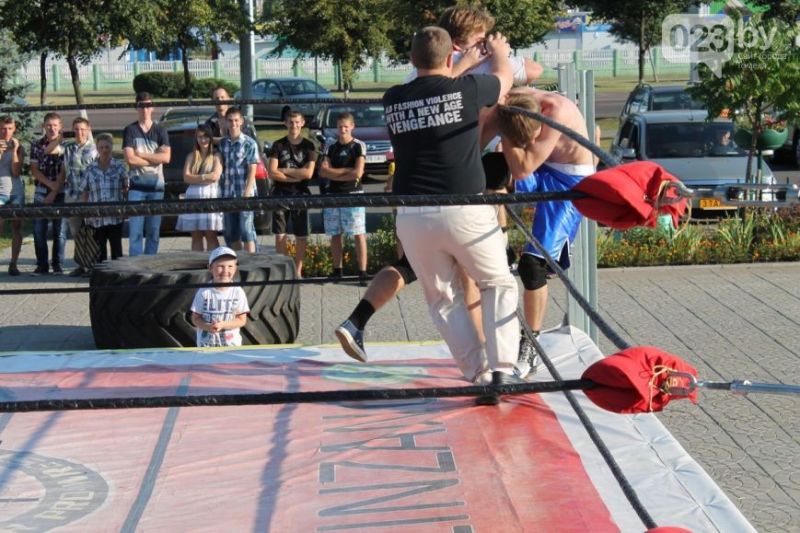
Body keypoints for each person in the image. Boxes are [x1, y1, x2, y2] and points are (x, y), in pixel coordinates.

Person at [340, 26, 519, 387]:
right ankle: (502, 369)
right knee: (497, 283)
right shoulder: (467, 90)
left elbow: (431, 94)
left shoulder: (393, 97)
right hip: (464, 208)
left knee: (443, 300)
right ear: (451, 56)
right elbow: (504, 79)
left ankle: (478, 372)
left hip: (413, 214)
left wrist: (459, 64)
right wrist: (498, 50)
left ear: (410, 59)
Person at [489, 88, 595, 378]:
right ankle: (499, 239)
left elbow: (523, 169)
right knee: (491, 170)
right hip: (545, 165)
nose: (531, 142)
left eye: (533, 137)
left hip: (570, 182)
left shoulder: (556, 113)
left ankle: (531, 345)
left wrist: (506, 137)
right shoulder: (515, 98)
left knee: (532, 266)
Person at [318, 112, 368, 284]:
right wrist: (346, 172)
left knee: (358, 234)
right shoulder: (330, 146)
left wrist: (334, 173)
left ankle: (362, 272)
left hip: (353, 194)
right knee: (335, 234)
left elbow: (358, 173)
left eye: (346, 126)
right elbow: (323, 171)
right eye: (340, 126)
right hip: (333, 194)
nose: (343, 130)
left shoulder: (358, 146)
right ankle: (337, 271)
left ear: (352, 126)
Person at [267, 110, 317, 277]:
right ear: (285, 123)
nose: (294, 125)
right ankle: (284, 271)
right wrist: (295, 175)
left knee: (301, 235)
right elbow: (272, 172)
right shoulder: (278, 145)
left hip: (301, 194)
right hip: (280, 193)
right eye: (290, 122)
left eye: (297, 122)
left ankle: (297, 270)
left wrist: (284, 170)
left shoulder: (309, 146)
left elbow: (308, 173)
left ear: (302, 123)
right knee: (280, 235)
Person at [123, 91, 171, 256]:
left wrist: (141, 154)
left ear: (152, 108)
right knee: (135, 232)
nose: (144, 110)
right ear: (136, 108)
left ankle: (150, 262)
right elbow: (130, 159)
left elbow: (166, 158)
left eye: (147, 106)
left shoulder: (160, 130)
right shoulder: (130, 130)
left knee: (153, 231)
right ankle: (136, 264)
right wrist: (154, 159)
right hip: (136, 188)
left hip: (156, 187)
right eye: (141, 106)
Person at [50, 117, 98, 276]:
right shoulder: (67, 147)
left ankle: (93, 265)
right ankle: (82, 265)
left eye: (83, 129)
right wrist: (59, 139)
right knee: (76, 232)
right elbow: (49, 150)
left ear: (88, 130)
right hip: (71, 195)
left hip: (90, 196)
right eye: (76, 129)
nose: (80, 132)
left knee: (91, 231)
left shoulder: (94, 149)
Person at [81, 133, 128, 263]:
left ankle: (117, 275)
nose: (104, 150)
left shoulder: (120, 167)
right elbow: (85, 192)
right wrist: (85, 212)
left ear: (112, 147)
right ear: (97, 148)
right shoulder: (90, 169)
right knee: (99, 253)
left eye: (107, 147)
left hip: (115, 216)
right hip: (96, 218)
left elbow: (126, 189)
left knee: (117, 253)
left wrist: (126, 209)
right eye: (101, 147)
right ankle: (101, 275)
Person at [190, 246, 250, 347]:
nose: (225, 270)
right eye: (220, 266)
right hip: (206, 346)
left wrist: (223, 325)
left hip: (232, 346)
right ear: (210, 268)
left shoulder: (238, 292)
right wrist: (207, 326)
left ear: (235, 268)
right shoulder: (203, 292)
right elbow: (195, 318)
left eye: (230, 266)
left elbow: (242, 320)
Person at [176, 124, 223, 251]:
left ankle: (213, 260)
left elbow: (215, 176)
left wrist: (196, 177)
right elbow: (186, 177)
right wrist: (204, 177)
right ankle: (196, 262)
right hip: (193, 198)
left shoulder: (216, 156)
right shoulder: (191, 156)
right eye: (200, 137)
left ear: (211, 138)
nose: (203, 140)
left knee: (211, 235)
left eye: (206, 136)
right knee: (196, 236)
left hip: (210, 197)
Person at [219, 107, 259, 253]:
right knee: (231, 233)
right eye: (230, 121)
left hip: (244, 192)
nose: (233, 124)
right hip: (228, 193)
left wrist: (247, 192)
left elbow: (252, 169)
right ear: (226, 122)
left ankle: (251, 261)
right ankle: (237, 261)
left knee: (247, 231)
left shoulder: (249, 143)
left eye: (236, 120)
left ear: (241, 121)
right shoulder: (223, 144)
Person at [30, 112, 66, 275]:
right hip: (41, 190)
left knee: (60, 231)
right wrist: (49, 185)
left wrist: (54, 190)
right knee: (39, 230)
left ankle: (57, 264)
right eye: (49, 125)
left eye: (55, 125)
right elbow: (34, 170)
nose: (52, 128)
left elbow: (65, 170)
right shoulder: (36, 144)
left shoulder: (66, 145)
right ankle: (42, 265)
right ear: (44, 126)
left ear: (60, 127)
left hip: (61, 192)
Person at [0, 116, 25, 276]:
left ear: (14, 129)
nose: (6, 132)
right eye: (3, 128)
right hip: (0, 192)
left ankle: (13, 263)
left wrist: (14, 151)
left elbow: (16, 172)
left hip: (16, 192)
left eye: (9, 128)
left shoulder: (19, 147)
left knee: (17, 227)